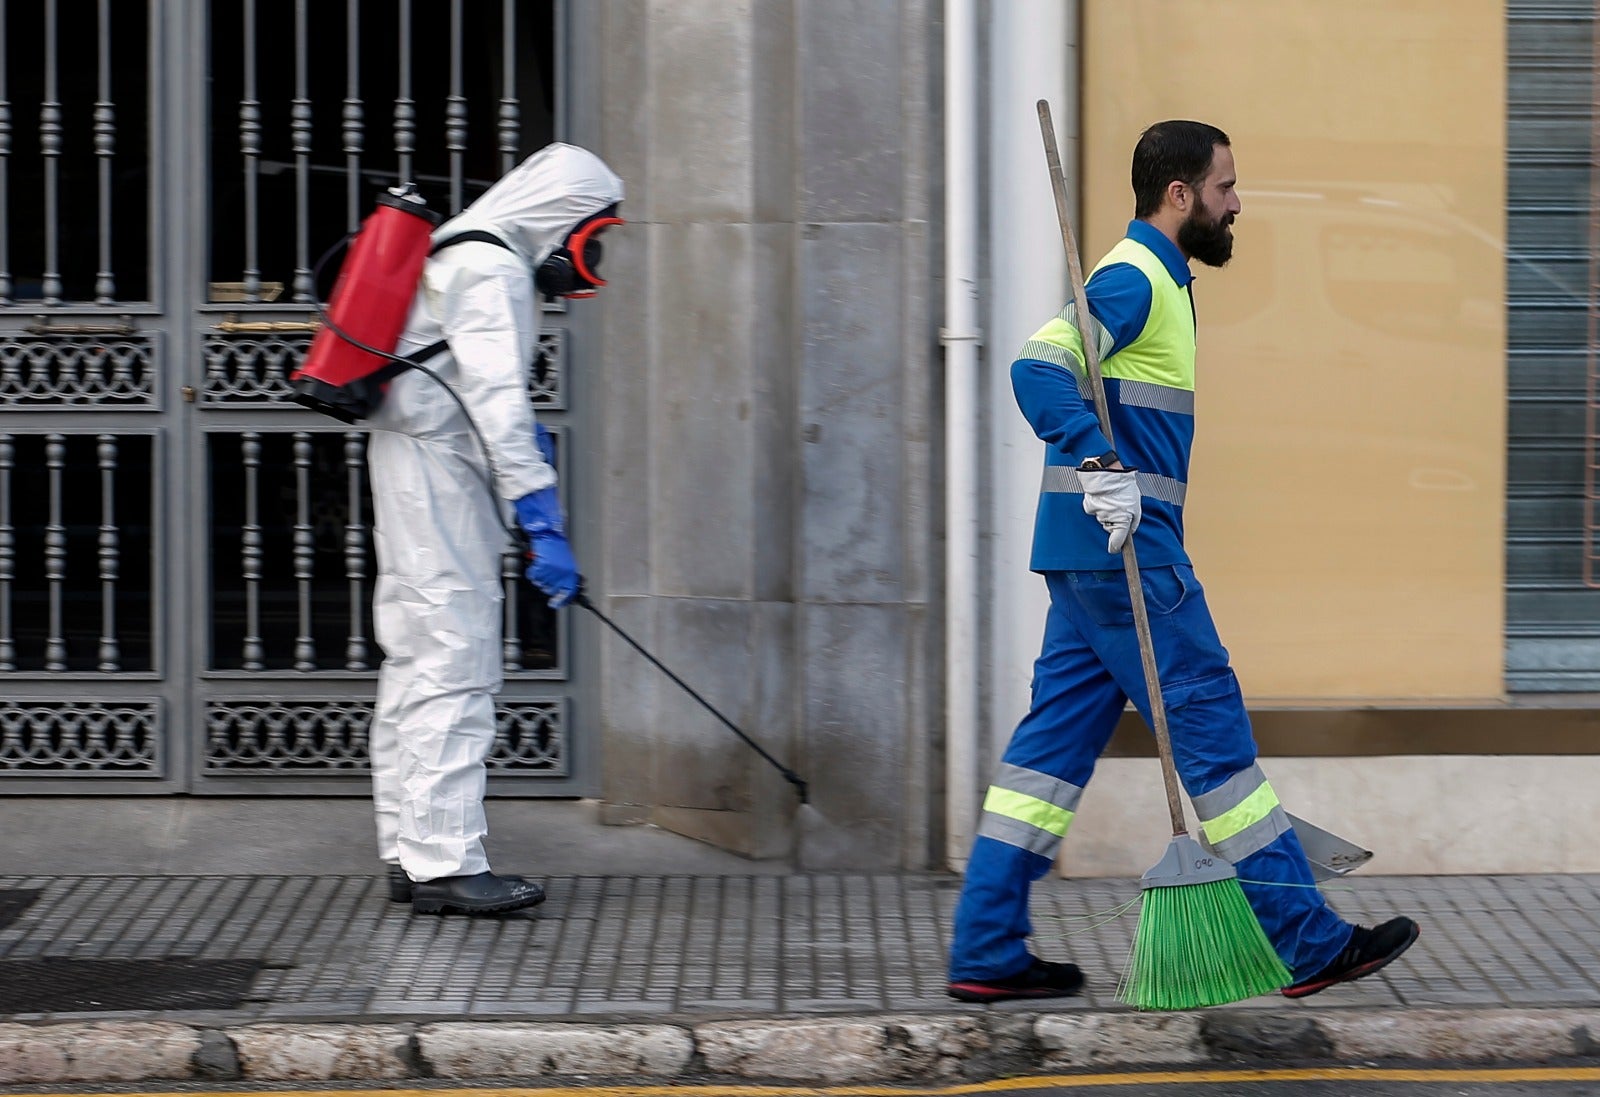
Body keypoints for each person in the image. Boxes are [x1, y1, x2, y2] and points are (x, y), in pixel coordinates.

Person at [946, 121, 1418, 1001]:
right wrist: (1096, 459)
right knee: (1214, 738)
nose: (1236, 203)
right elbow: (1037, 367)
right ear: (1179, 195)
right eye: (1225, 187)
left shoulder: (1161, 280)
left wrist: (1099, 470)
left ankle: (985, 947)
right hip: (1131, 557)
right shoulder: (1135, 277)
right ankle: (1309, 942)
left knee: (1044, 762)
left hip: (1088, 558)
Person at [365, 143, 625, 915]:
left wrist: (523, 470)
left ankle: (409, 848)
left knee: (415, 658)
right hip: (437, 473)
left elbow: (476, 393)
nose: (594, 254)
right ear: (563, 218)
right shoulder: (493, 266)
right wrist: (542, 517)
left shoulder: (464, 252)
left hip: (418, 463)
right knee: (456, 657)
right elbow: (500, 406)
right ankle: (446, 862)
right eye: (595, 232)